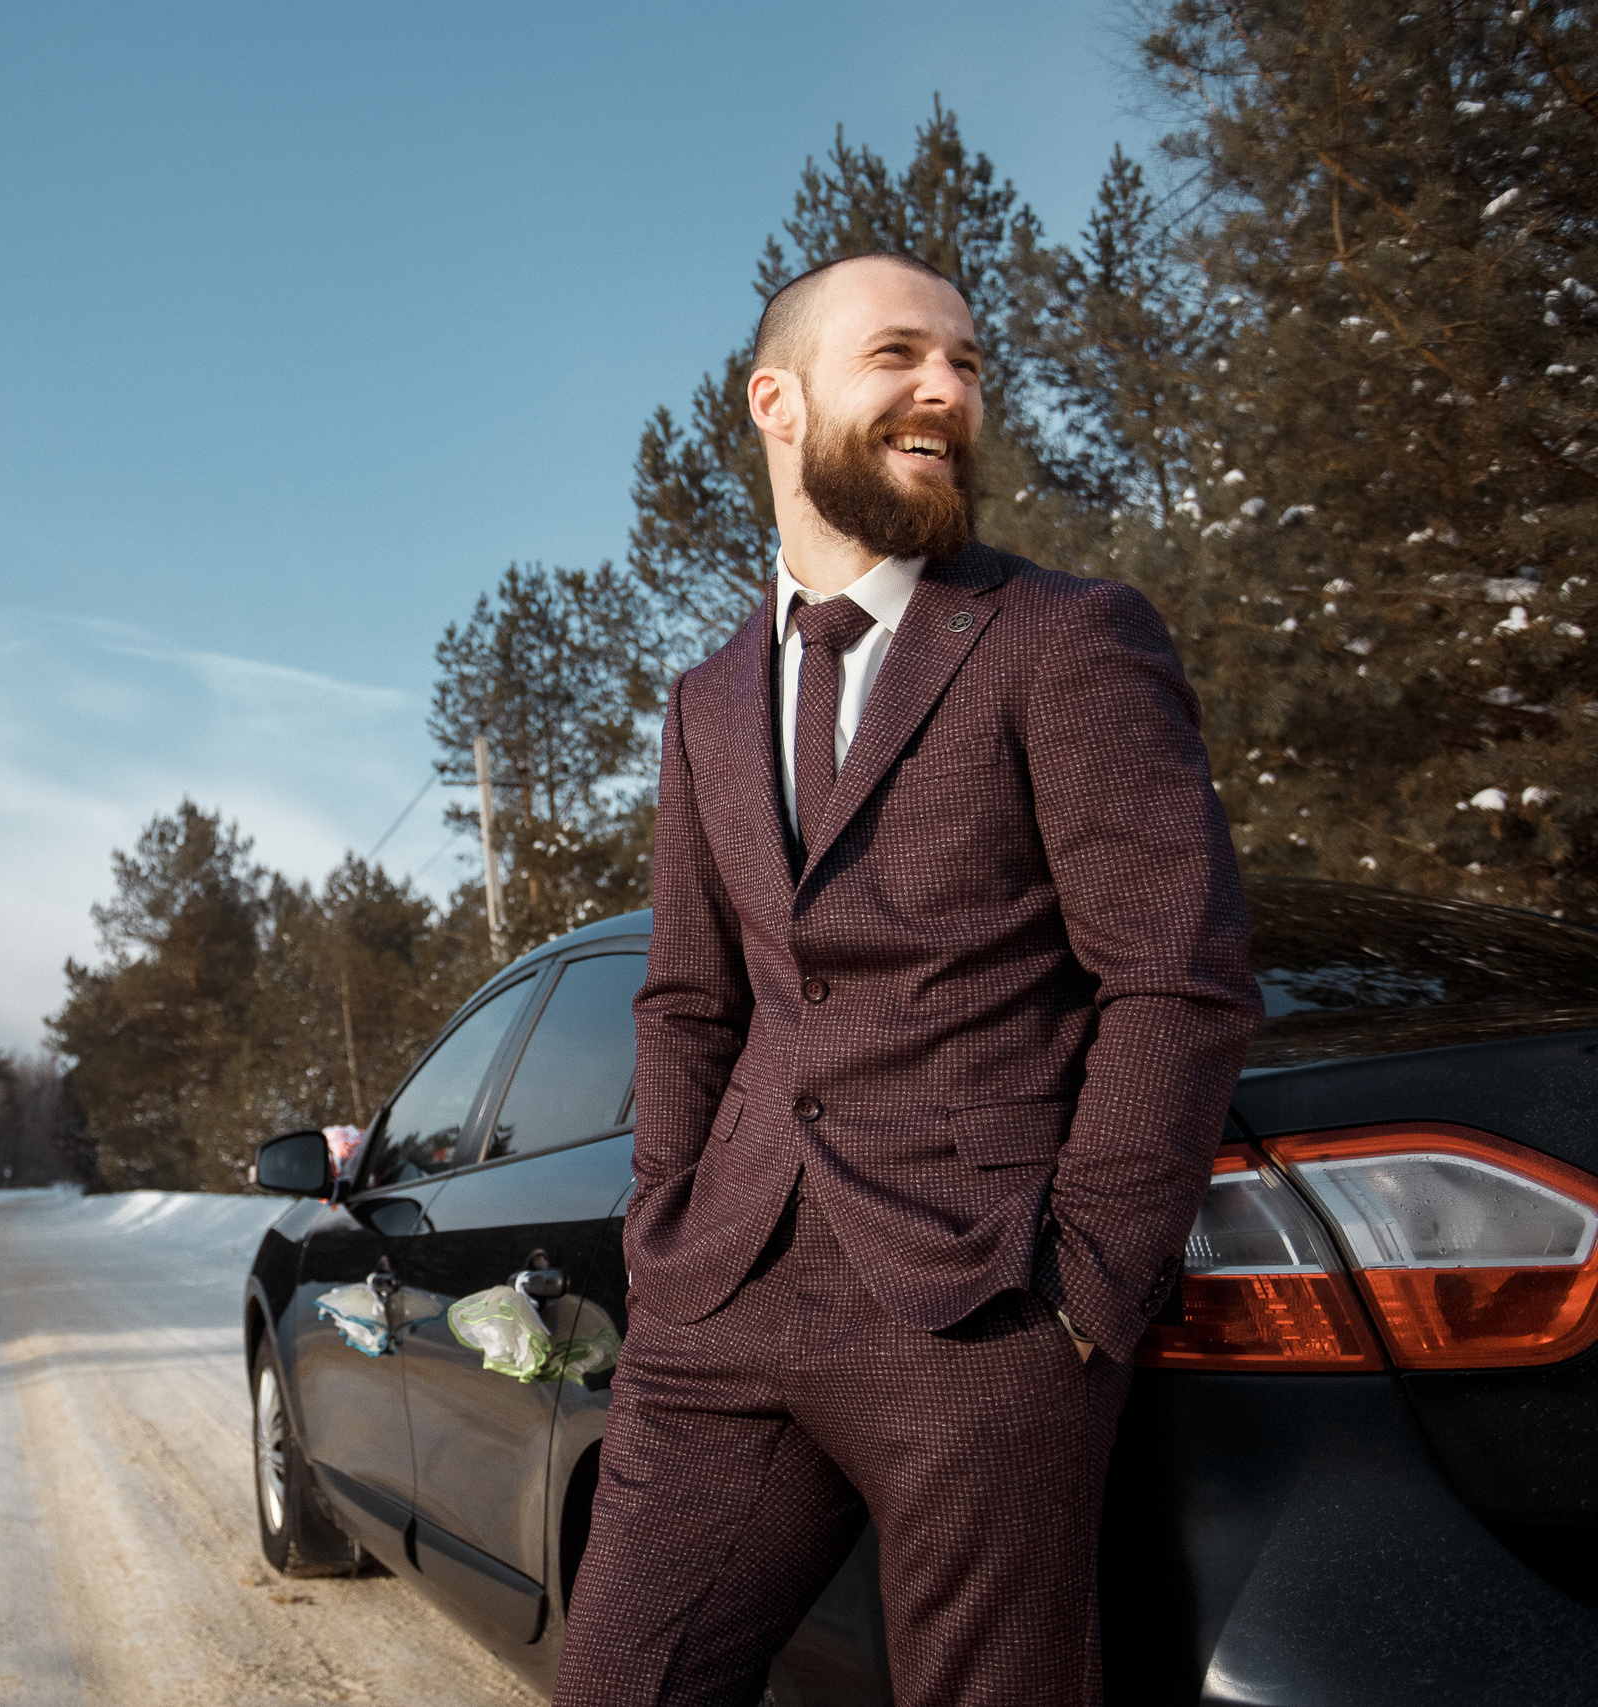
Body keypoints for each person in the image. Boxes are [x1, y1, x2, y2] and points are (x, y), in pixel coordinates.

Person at [550, 252, 1260, 1707]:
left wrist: (1080, 1293)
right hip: (723, 1299)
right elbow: (689, 1000)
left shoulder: (1063, 638)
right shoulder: (705, 702)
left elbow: (1177, 978)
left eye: (971, 364)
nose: (950, 392)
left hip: (980, 1304)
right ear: (778, 400)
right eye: (900, 355)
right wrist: (663, 1235)